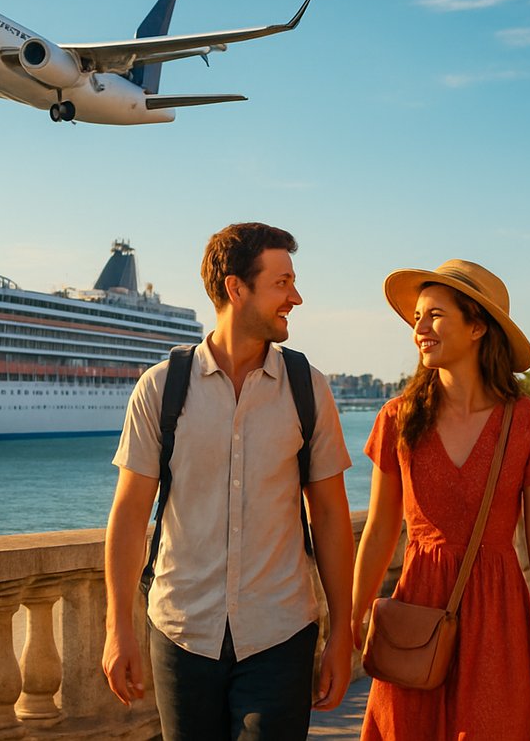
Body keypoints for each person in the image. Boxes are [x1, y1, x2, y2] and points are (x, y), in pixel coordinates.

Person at [102, 223, 356, 740]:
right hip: (180, 633)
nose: (296, 297)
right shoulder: (160, 388)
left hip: (280, 634)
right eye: (282, 282)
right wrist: (117, 629)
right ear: (236, 288)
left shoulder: (309, 389)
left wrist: (342, 633)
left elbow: (330, 516)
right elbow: (130, 516)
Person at [351, 259, 530, 739]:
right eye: (416, 317)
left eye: (434, 315)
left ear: (477, 326)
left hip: (498, 623)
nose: (419, 328)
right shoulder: (397, 418)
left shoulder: (527, 423)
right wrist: (351, 613)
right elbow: (380, 528)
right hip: (415, 618)